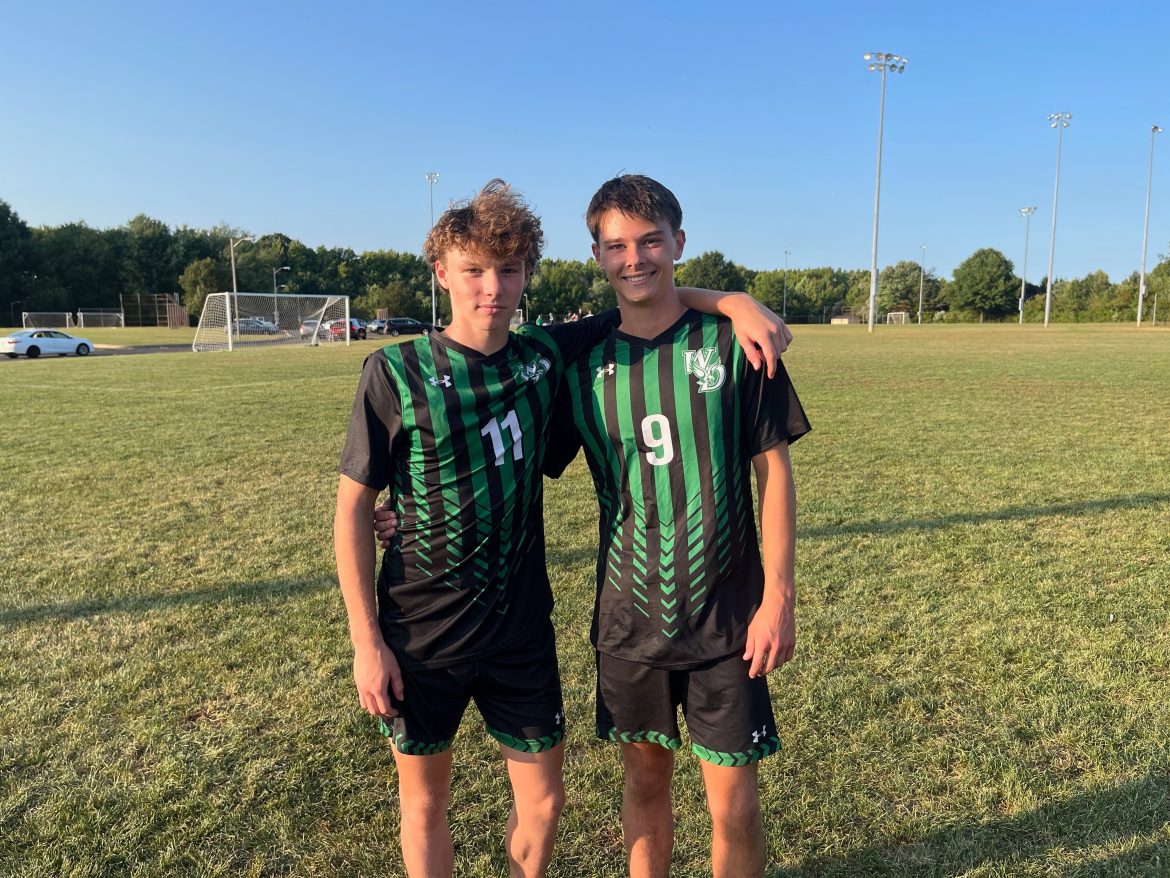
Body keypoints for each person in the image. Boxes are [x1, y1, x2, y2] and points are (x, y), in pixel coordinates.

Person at [338, 178, 790, 878]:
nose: (493, 287)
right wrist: (371, 614)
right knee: (446, 802)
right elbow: (353, 506)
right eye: (474, 270)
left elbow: (651, 304)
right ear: (442, 273)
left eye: (509, 270)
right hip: (475, 627)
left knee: (613, 805)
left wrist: (732, 300)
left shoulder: (578, 355)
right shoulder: (451, 367)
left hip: (593, 625)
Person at [542, 174, 811, 878]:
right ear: (597, 255)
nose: (636, 259)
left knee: (736, 806)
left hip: (728, 617)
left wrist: (777, 599)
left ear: (680, 242)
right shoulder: (576, 359)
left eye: (651, 241)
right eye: (617, 245)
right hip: (629, 619)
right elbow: (485, 390)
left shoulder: (735, 345)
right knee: (645, 785)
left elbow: (774, 472)